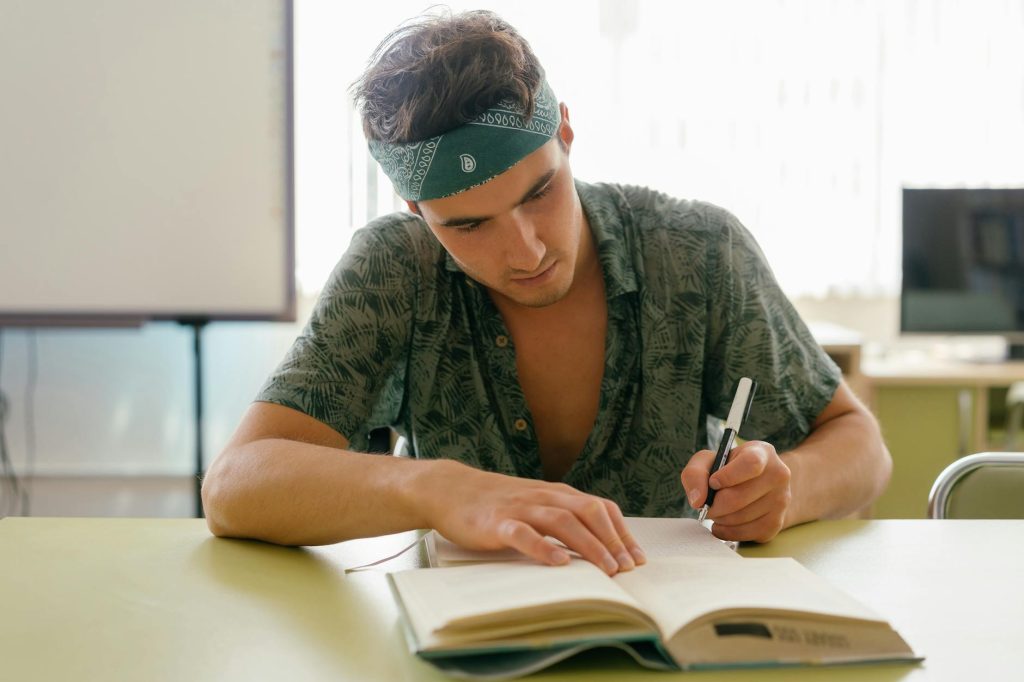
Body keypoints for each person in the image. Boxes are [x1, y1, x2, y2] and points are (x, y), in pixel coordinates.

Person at [201, 9, 892, 576]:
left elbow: (860, 446)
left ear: (565, 130)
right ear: (417, 210)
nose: (525, 250)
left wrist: (787, 489)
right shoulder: (394, 268)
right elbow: (235, 487)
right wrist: (435, 489)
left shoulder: (698, 250)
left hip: (675, 625)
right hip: (462, 639)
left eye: (540, 192)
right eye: (467, 225)